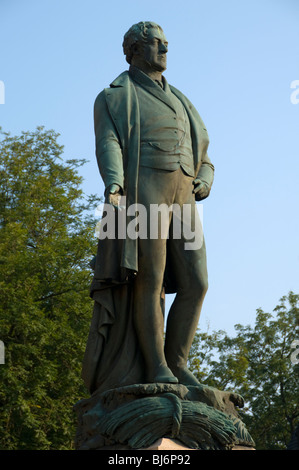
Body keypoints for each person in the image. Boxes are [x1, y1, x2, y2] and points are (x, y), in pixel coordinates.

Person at [84, 21, 214, 391]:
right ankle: (157, 365)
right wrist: (114, 182)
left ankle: (177, 361)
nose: (165, 50)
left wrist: (205, 178)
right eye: (157, 44)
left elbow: (204, 152)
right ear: (134, 50)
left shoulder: (182, 100)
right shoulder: (114, 96)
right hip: (145, 190)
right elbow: (108, 141)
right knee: (149, 280)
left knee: (198, 282)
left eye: (166, 44)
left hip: (185, 196)